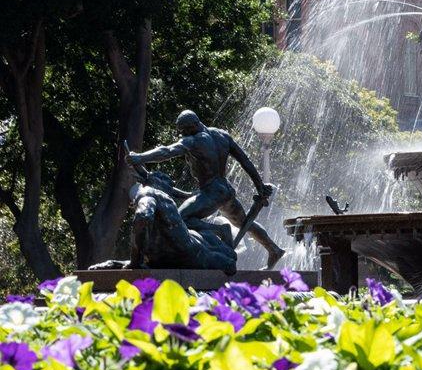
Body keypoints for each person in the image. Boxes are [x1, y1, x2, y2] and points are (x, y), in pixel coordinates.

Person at [127, 110, 285, 268]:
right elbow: (245, 162)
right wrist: (260, 187)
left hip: (211, 191)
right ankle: (274, 249)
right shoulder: (222, 135)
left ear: (191, 127)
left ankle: (221, 231)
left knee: (181, 219)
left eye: (183, 131)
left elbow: (167, 151)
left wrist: (140, 157)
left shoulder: (193, 141)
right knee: (244, 223)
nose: (182, 135)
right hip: (225, 190)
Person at [90, 171, 238, 274]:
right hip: (186, 255)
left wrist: (135, 262)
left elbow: (143, 219)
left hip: (177, 255)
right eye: (166, 180)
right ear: (156, 182)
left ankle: (224, 240)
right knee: (228, 261)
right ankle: (224, 242)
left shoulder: (154, 197)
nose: (171, 184)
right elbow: (143, 216)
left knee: (226, 258)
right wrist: (135, 262)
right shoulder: (149, 193)